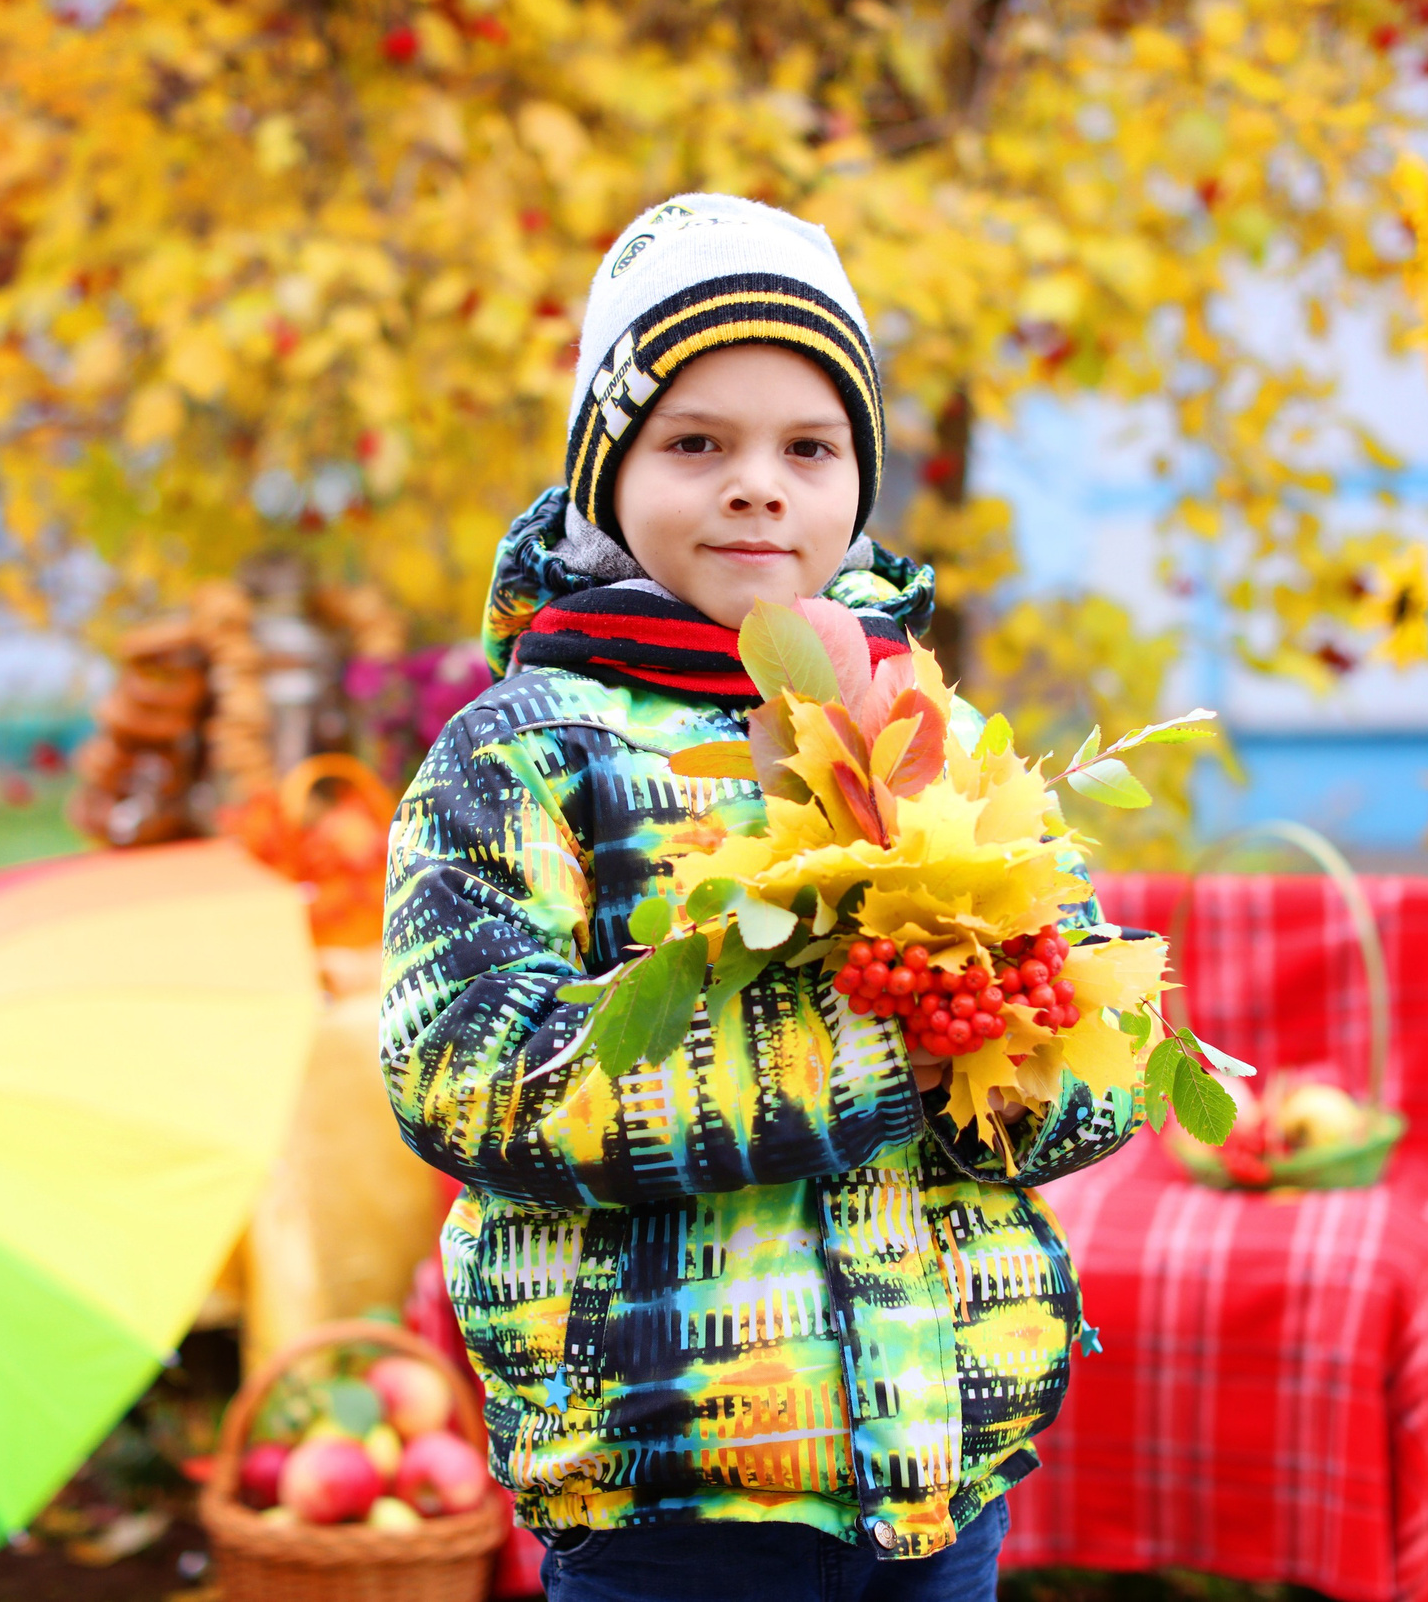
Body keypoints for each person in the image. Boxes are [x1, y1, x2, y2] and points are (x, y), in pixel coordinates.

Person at [380, 194, 1137, 1602]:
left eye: (809, 446)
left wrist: (1009, 1045)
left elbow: (1094, 1050)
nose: (757, 486)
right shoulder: (527, 754)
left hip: (938, 1476)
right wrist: (867, 1052)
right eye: (696, 444)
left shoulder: (931, 736)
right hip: (676, 1498)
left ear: (859, 477)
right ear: (608, 476)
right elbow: (468, 1080)